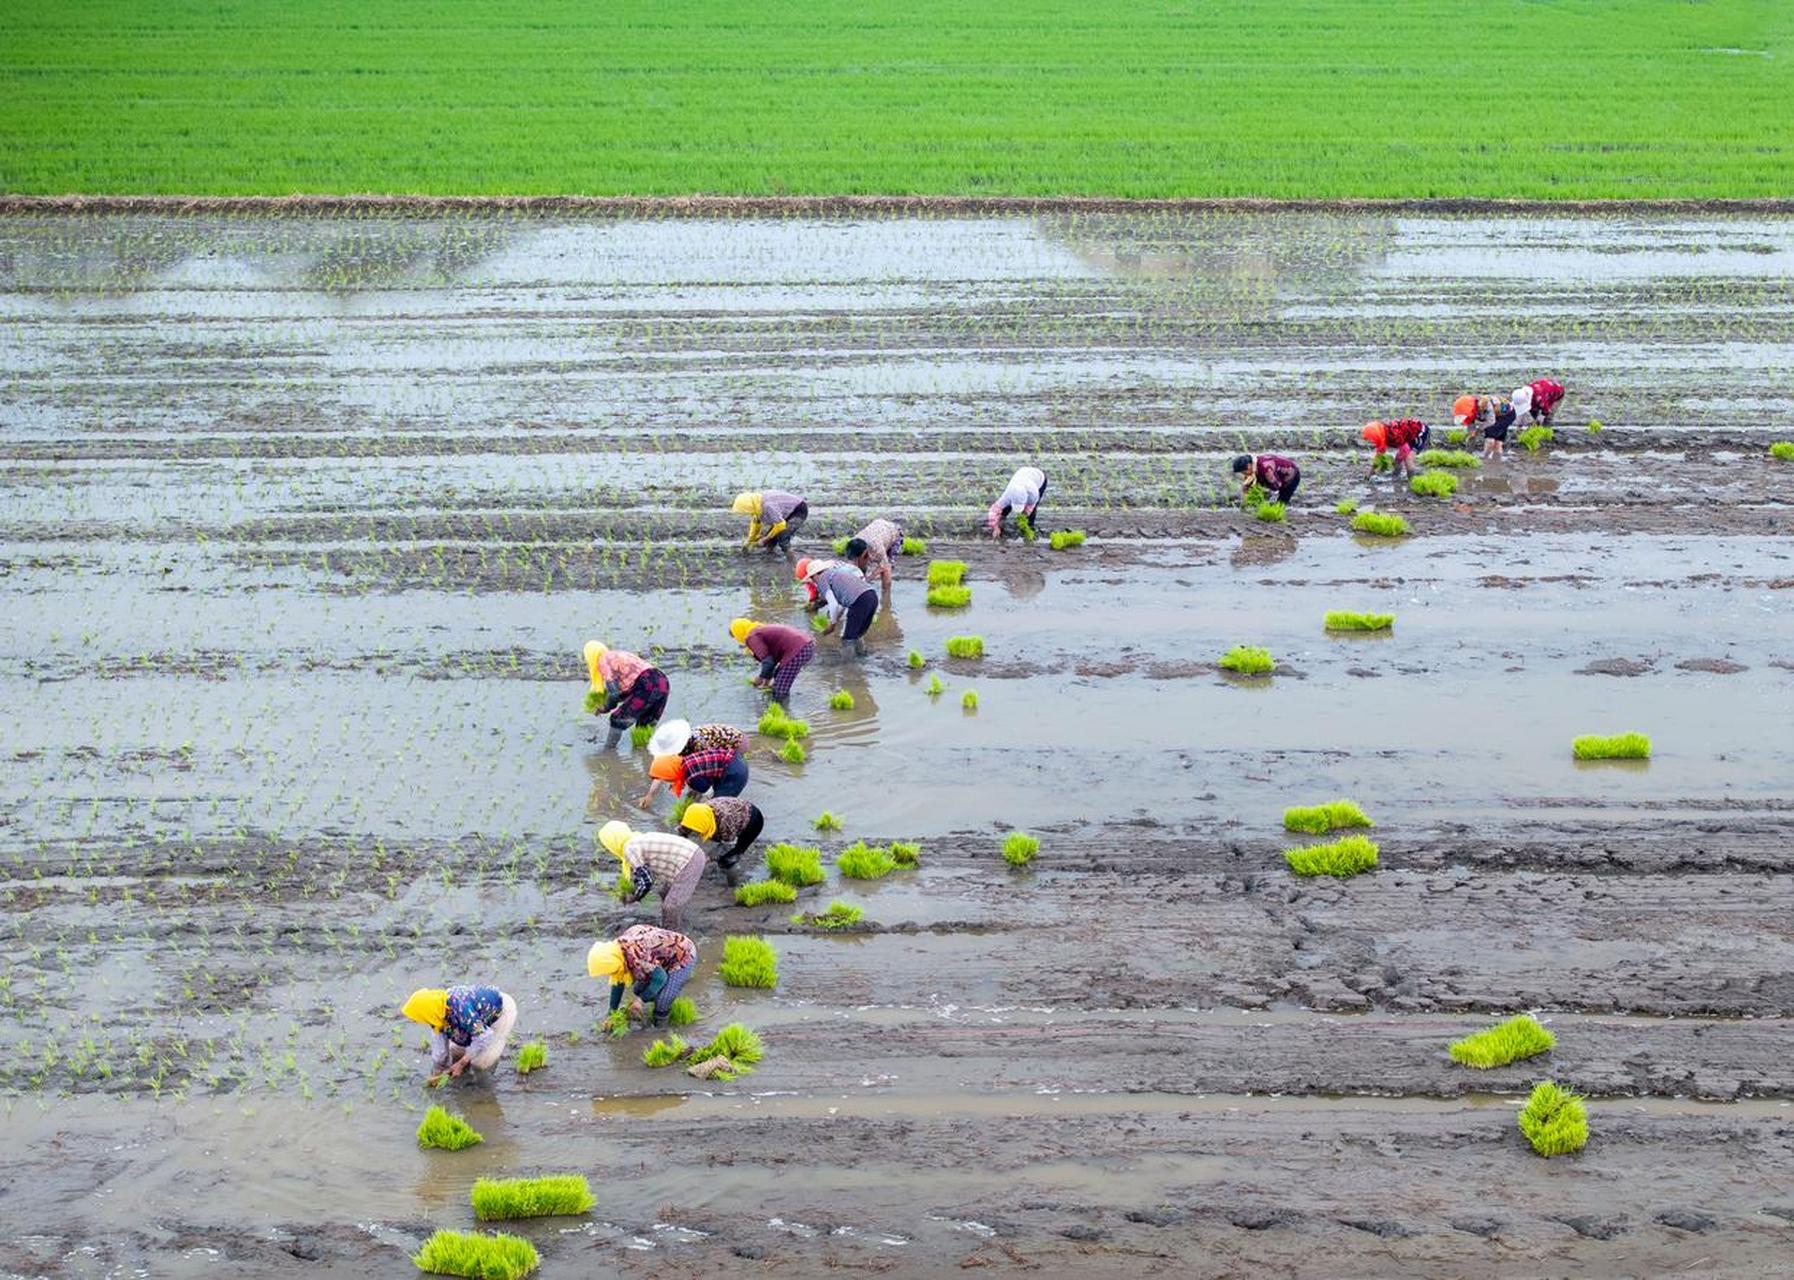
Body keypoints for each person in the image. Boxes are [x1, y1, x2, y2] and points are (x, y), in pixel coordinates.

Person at [599, 820, 707, 929]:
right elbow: (646, 872)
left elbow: (647, 880)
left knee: (670, 906)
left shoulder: (630, 848)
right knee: (665, 893)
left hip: (690, 861)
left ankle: (670, 934)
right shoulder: (636, 840)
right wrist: (635, 889)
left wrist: (635, 896)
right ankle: (675, 920)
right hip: (688, 857)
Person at [587, 924, 697, 1031]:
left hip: (683, 955)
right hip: (660, 957)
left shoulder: (638, 956)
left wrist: (640, 1001)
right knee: (638, 989)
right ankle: (660, 997)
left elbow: (660, 978)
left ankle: (660, 1029)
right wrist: (611, 1014)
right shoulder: (617, 951)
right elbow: (618, 982)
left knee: (662, 1001)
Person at [400, 984, 517, 1084]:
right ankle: (463, 1081)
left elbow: (484, 1036)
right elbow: (440, 1048)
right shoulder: (435, 1013)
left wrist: (461, 1064)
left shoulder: (460, 1008)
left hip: (500, 1013)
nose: (415, 1021)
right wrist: (437, 1072)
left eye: (416, 1017)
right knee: (456, 1052)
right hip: (476, 1017)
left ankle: (482, 1094)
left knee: (480, 1064)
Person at [638, 720, 748, 805]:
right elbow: (660, 774)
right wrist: (650, 795)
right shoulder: (675, 749)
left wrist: (701, 799)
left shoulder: (698, 745)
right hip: (726, 756)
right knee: (698, 778)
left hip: (736, 742)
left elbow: (698, 772)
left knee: (714, 787)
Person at [583, 640, 669, 750]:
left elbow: (613, 694)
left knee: (618, 718)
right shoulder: (619, 656)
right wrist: (606, 707)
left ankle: (608, 751)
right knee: (644, 728)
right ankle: (644, 755)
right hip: (662, 681)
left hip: (648, 683)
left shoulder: (604, 660)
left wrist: (606, 707)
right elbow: (626, 691)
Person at [798, 558, 879, 656]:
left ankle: (848, 667)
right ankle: (861, 659)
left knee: (848, 639)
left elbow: (833, 604)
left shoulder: (822, 579)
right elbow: (840, 603)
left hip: (859, 601)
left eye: (812, 577)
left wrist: (832, 625)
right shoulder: (836, 573)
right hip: (872, 596)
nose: (813, 581)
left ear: (816, 574)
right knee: (857, 635)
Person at [680, 797, 766, 886]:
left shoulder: (726, 823)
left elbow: (727, 846)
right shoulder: (695, 813)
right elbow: (684, 829)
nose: (697, 833)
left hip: (753, 821)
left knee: (729, 857)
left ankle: (733, 885)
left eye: (699, 830)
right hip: (735, 812)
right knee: (717, 842)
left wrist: (706, 859)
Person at [731, 617, 815, 706]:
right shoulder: (758, 630)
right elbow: (772, 661)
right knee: (779, 676)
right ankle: (780, 707)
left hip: (799, 649)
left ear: (739, 632)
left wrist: (760, 678)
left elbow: (768, 662)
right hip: (805, 646)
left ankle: (782, 712)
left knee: (779, 690)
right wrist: (766, 682)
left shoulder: (752, 637)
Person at [731, 491, 808, 554]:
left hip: (798, 510)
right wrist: (750, 541)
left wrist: (765, 539)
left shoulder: (767, 506)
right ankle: (771, 556)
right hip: (784, 513)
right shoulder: (757, 505)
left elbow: (780, 525)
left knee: (783, 538)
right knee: (772, 538)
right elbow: (756, 524)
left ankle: (793, 565)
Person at [845, 517, 904, 597]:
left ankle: (886, 595)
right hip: (878, 528)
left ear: (865, 553)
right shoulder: (854, 543)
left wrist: (869, 578)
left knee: (886, 568)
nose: (855, 562)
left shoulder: (877, 548)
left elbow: (884, 566)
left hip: (893, 532)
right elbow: (853, 563)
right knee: (859, 566)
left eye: (858, 559)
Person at [986, 466, 1047, 539]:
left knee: (1031, 512)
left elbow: (1030, 507)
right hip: (1021, 475)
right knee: (1005, 508)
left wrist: (1024, 515)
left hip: (1039, 478)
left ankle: (1029, 529)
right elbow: (993, 511)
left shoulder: (1033, 495)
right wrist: (995, 527)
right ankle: (1001, 523)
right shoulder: (1007, 496)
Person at [1361, 419, 1432, 480]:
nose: (1371, 441)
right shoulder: (1381, 437)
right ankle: (1396, 476)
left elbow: (1405, 448)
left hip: (1420, 432)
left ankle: (1412, 479)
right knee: (1398, 459)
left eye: (1372, 438)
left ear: (1376, 435)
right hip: (1408, 437)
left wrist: (1399, 457)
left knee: (1408, 458)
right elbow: (1379, 457)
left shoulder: (1393, 434)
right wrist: (1370, 473)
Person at [1453, 393, 1516, 459]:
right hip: (1496, 416)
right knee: (1497, 442)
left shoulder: (1484, 404)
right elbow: (1470, 423)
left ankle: (1485, 459)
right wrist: (1472, 434)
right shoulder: (1470, 411)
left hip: (1507, 415)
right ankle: (1496, 460)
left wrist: (1478, 430)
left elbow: (1491, 421)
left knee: (1490, 435)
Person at [1231, 453, 1300, 505]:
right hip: (1274, 475)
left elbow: (1277, 487)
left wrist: (1266, 500)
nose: (1244, 474)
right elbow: (1248, 485)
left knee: (1280, 503)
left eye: (1244, 472)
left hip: (1291, 477)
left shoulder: (1266, 469)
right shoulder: (1254, 466)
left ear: (1249, 466)